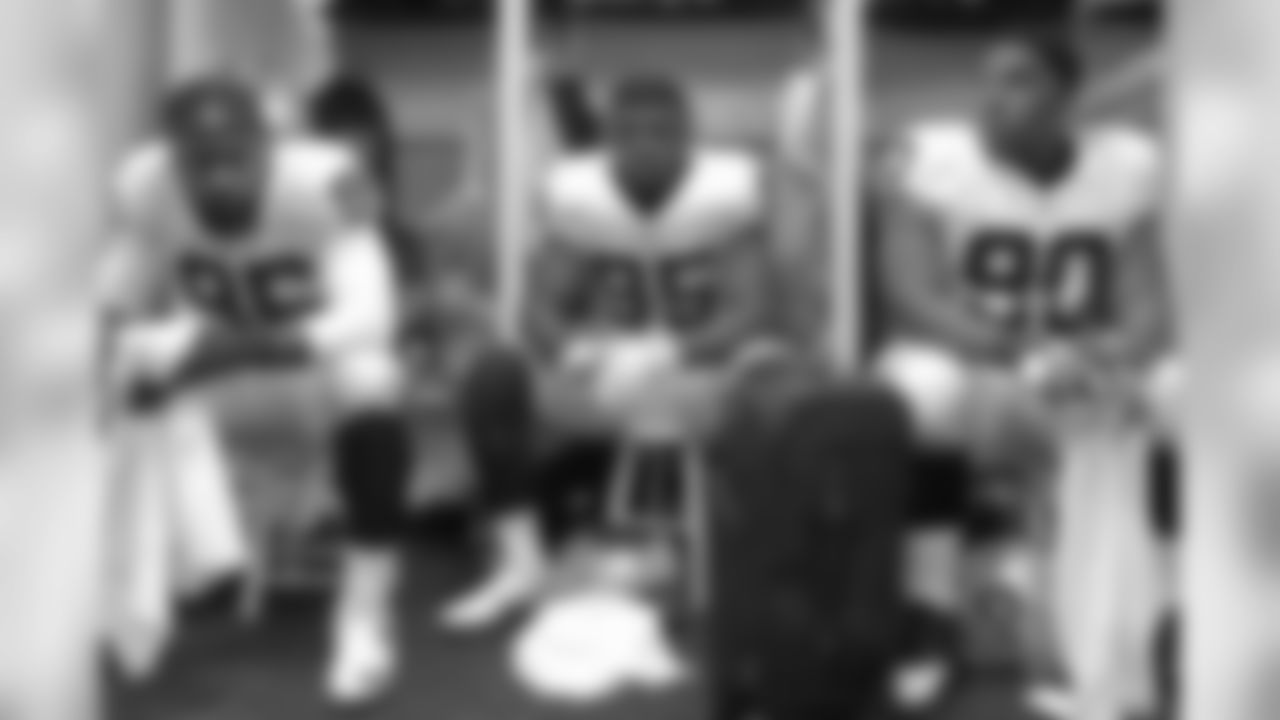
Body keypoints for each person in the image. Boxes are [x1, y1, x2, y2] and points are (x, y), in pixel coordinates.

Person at [874, 29, 1173, 713]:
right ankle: (930, 610)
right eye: (988, 79)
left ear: (1067, 96)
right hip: (970, 354)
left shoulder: (1124, 167)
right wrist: (1016, 353)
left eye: (1018, 80)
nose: (993, 97)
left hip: (1079, 357)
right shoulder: (933, 160)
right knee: (921, 396)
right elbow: (909, 292)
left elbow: (1148, 303)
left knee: (1164, 396)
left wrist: (1114, 358)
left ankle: (1148, 624)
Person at [100, 76, 413, 707]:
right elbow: (115, 301)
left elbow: (373, 315)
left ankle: (363, 617)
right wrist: (126, 360)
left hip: (304, 373)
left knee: (373, 382)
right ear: (173, 158)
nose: (218, 177)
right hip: (220, 384)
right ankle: (164, 585)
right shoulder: (147, 187)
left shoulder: (327, 181)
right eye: (199, 161)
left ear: (269, 146)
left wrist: (235, 347)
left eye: (234, 156)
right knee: (130, 376)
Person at [439, 74, 772, 632]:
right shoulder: (583, 200)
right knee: (492, 376)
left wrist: (672, 349)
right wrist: (569, 346)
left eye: (661, 132)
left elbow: (750, 311)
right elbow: (538, 306)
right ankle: (520, 562)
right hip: (605, 379)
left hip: (701, 382)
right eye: (629, 132)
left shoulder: (724, 199)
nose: (645, 146)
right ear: (608, 140)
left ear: (688, 137)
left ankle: (761, 573)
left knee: (782, 381)